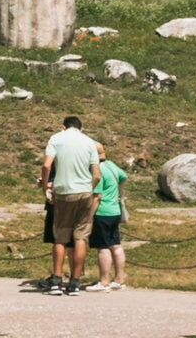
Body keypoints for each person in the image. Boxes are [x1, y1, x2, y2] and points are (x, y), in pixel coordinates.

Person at [37, 114, 100, 294]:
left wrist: (46, 188)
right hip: (84, 191)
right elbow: (96, 174)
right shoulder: (89, 142)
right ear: (80, 128)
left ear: (63, 126)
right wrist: (89, 187)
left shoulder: (56, 138)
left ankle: (56, 280)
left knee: (60, 236)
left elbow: (47, 166)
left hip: (64, 191)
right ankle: (75, 282)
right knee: (80, 236)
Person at [90, 146, 131, 291]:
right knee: (116, 245)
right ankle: (119, 280)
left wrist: (89, 216)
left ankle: (104, 281)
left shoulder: (97, 170)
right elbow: (124, 176)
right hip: (115, 211)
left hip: (102, 212)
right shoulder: (111, 165)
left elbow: (97, 196)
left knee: (103, 247)